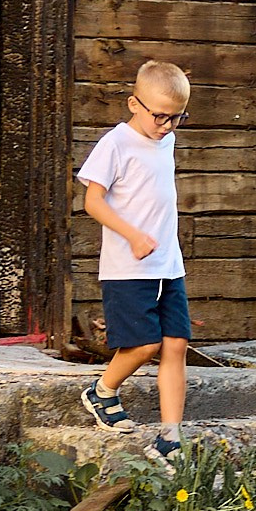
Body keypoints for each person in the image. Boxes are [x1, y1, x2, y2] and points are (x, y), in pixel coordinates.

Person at [78, 59, 192, 461]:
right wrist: (133, 235)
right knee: (144, 345)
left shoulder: (167, 139)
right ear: (133, 104)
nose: (166, 125)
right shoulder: (115, 143)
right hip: (129, 267)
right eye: (159, 116)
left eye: (176, 118)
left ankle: (171, 435)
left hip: (168, 265)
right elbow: (92, 201)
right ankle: (102, 391)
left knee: (176, 343)